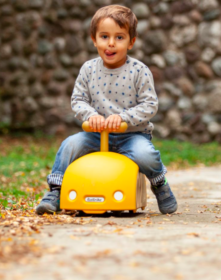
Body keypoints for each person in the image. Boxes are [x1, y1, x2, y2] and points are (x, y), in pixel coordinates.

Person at [36, 5, 177, 215]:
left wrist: (123, 117)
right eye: (104, 36)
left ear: (131, 42)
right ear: (94, 39)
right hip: (96, 134)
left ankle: (159, 184)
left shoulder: (139, 71)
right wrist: (91, 115)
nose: (111, 43)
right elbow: (78, 100)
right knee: (69, 145)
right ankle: (55, 191)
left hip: (131, 134)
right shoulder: (88, 69)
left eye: (119, 37)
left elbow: (149, 105)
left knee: (145, 154)